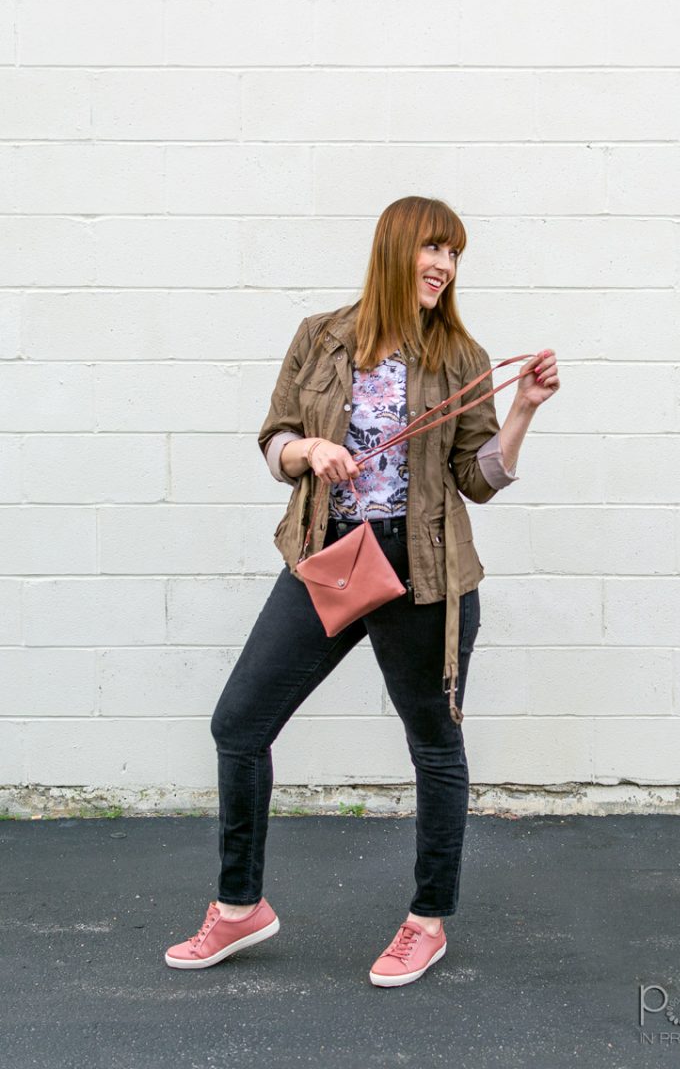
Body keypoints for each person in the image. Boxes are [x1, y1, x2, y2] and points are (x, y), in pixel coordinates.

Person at [164, 195, 560, 984]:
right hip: (329, 555)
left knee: (433, 749)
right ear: (394, 251)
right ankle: (241, 907)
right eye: (433, 249)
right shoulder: (321, 337)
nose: (445, 266)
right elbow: (273, 437)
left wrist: (522, 411)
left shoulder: (461, 357)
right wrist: (308, 449)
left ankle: (426, 921)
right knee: (239, 724)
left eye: (455, 254)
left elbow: (476, 480)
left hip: (420, 570)